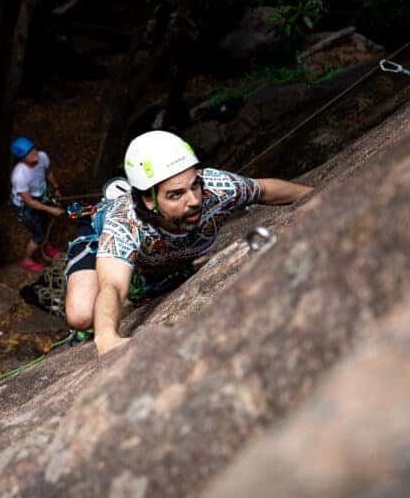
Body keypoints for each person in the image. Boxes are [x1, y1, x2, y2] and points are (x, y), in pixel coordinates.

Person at [64, 131, 313, 355]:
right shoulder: (123, 222)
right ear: (149, 200)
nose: (194, 200)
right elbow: (113, 286)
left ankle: (158, 274)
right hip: (99, 233)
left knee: (166, 262)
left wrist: (315, 193)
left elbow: (264, 190)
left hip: (161, 250)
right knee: (81, 314)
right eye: (176, 194)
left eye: (195, 185)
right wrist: (107, 337)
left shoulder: (215, 188)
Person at [10, 136, 64, 272]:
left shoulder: (42, 157)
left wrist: (56, 187)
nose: (34, 153)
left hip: (40, 195)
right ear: (22, 158)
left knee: (44, 224)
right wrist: (51, 209)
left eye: (33, 148)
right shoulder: (19, 175)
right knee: (38, 233)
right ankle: (27, 260)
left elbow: (48, 172)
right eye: (29, 153)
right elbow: (29, 201)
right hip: (25, 204)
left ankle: (45, 246)